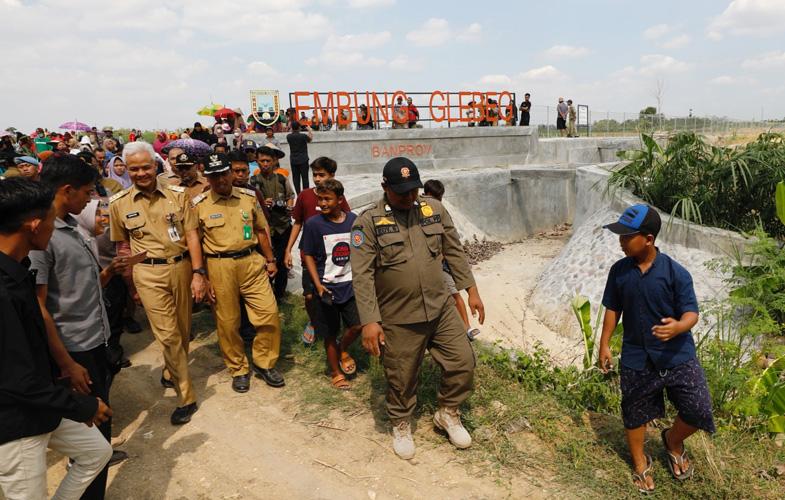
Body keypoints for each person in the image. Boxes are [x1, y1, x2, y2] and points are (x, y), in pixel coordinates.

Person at [350, 157, 485, 460]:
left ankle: (448, 413)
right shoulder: (368, 222)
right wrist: (370, 321)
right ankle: (400, 422)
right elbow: (362, 275)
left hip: (440, 308)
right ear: (385, 187)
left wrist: (471, 290)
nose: (410, 198)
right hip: (398, 315)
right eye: (402, 193)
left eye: (414, 191)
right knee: (401, 375)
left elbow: (454, 251)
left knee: (463, 360)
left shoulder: (432, 209)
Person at [0, 177, 113, 500]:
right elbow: (15, 380)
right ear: (34, 226)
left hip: (40, 405)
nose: (56, 228)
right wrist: (81, 404)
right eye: (52, 221)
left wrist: (65, 366)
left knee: (96, 452)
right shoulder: (4, 292)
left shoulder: (16, 270)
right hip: (16, 424)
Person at [31, 155, 129, 498]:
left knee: (97, 434)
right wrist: (66, 363)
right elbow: (39, 306)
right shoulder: (41, 238)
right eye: (86, 192)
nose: (90, 199)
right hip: (74, 349)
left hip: (94, 340)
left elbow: (75, 290)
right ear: (66, 190)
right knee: (93, 431)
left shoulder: (72, 227)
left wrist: (108, 272)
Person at [599, 204, 714, 494]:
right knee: (634, 411)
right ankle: (640, 462)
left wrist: (678, 327)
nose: (621, 241)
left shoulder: (676, 274)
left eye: (627, 236)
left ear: (648, 239)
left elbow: (691, 313)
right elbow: (612, 309)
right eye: (620, 236)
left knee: (698, 407)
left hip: (677, 356)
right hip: (637, 355)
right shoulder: (619, 272)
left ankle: (673, 441)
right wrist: (604, 344)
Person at [109, 141, 211, 425]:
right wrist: (131, 286)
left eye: (145, 167)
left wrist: (198, 273)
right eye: (134, 169)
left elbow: (192, 236)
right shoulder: (119, 204)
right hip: (147, 273)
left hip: (181, 267)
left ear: (155, 166)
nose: (141, 173)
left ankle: (171, 368)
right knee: (167, 335)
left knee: (182, 329)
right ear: (127, 171)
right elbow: (123, 248)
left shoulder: (177, 196)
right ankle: (186, 396)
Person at [193, 154, 285, 391]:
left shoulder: (248, 197)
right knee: (228, 323)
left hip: (251, 262)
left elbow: (261, 230)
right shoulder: (198, 205)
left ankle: (264, 363)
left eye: (224, 173)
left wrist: (271, 259)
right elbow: (195, 243)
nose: (221, 180)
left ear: (231, 173)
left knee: (269, 313)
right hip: (219, 267)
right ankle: (239, 369)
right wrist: (202, 276)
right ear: (208, 177)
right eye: (214, 176)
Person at [284, 157, 351, 346]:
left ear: (332, 176)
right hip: (309, 254)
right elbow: (297, 223)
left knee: (329, 294)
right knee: (309, 295)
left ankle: (331, 328)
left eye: (322, 175)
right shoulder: (304, 196)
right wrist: (288, 250)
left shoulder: (338, 197)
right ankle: (313, 322)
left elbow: (346, 221)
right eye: (315, 175)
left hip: (331, 258)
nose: (317, 179)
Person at [301, 179, 361, 390]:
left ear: (340, 200)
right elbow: (307, 254)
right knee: (329, 333)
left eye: (328, 199)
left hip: (349, 285)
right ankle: (335, 372)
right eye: (320, 199)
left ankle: (343, 349)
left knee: (356, 325)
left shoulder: (353, 221)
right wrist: (317, 285)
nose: (323, 203)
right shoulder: (313, 224)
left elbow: (360, 250)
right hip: (326, 288)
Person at [422, 179, 480, 341]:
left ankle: (466, 328)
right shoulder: (417, 211)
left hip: (442, 265)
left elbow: (451, 244)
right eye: (434, 198)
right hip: (426, 266)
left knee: (455, 294)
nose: (436, 202)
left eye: (439, 198)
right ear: (425, 194)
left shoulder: (440, 211)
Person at [254, 145, 295, 299]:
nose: (265, 164)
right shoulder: (253, 181)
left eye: (268, 161)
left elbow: (290, 195)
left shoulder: (281, 178)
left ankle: (280, 295)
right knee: (265, 261)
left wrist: (289, 206)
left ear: (274, 161)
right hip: (263, 229)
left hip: (282, 226)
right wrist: (263, 203)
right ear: (257, 161)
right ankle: (266, 294)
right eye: (262, 160)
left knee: (283, 262)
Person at [286, 121, 313, 193]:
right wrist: (309, 130)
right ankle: (305, 193)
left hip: (293, 160)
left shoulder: (288, 136)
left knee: (296, 178)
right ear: (299, 127)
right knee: (305, 178)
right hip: (303, 159)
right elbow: (310, 139)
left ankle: (298, 194)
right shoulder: (303, 136)